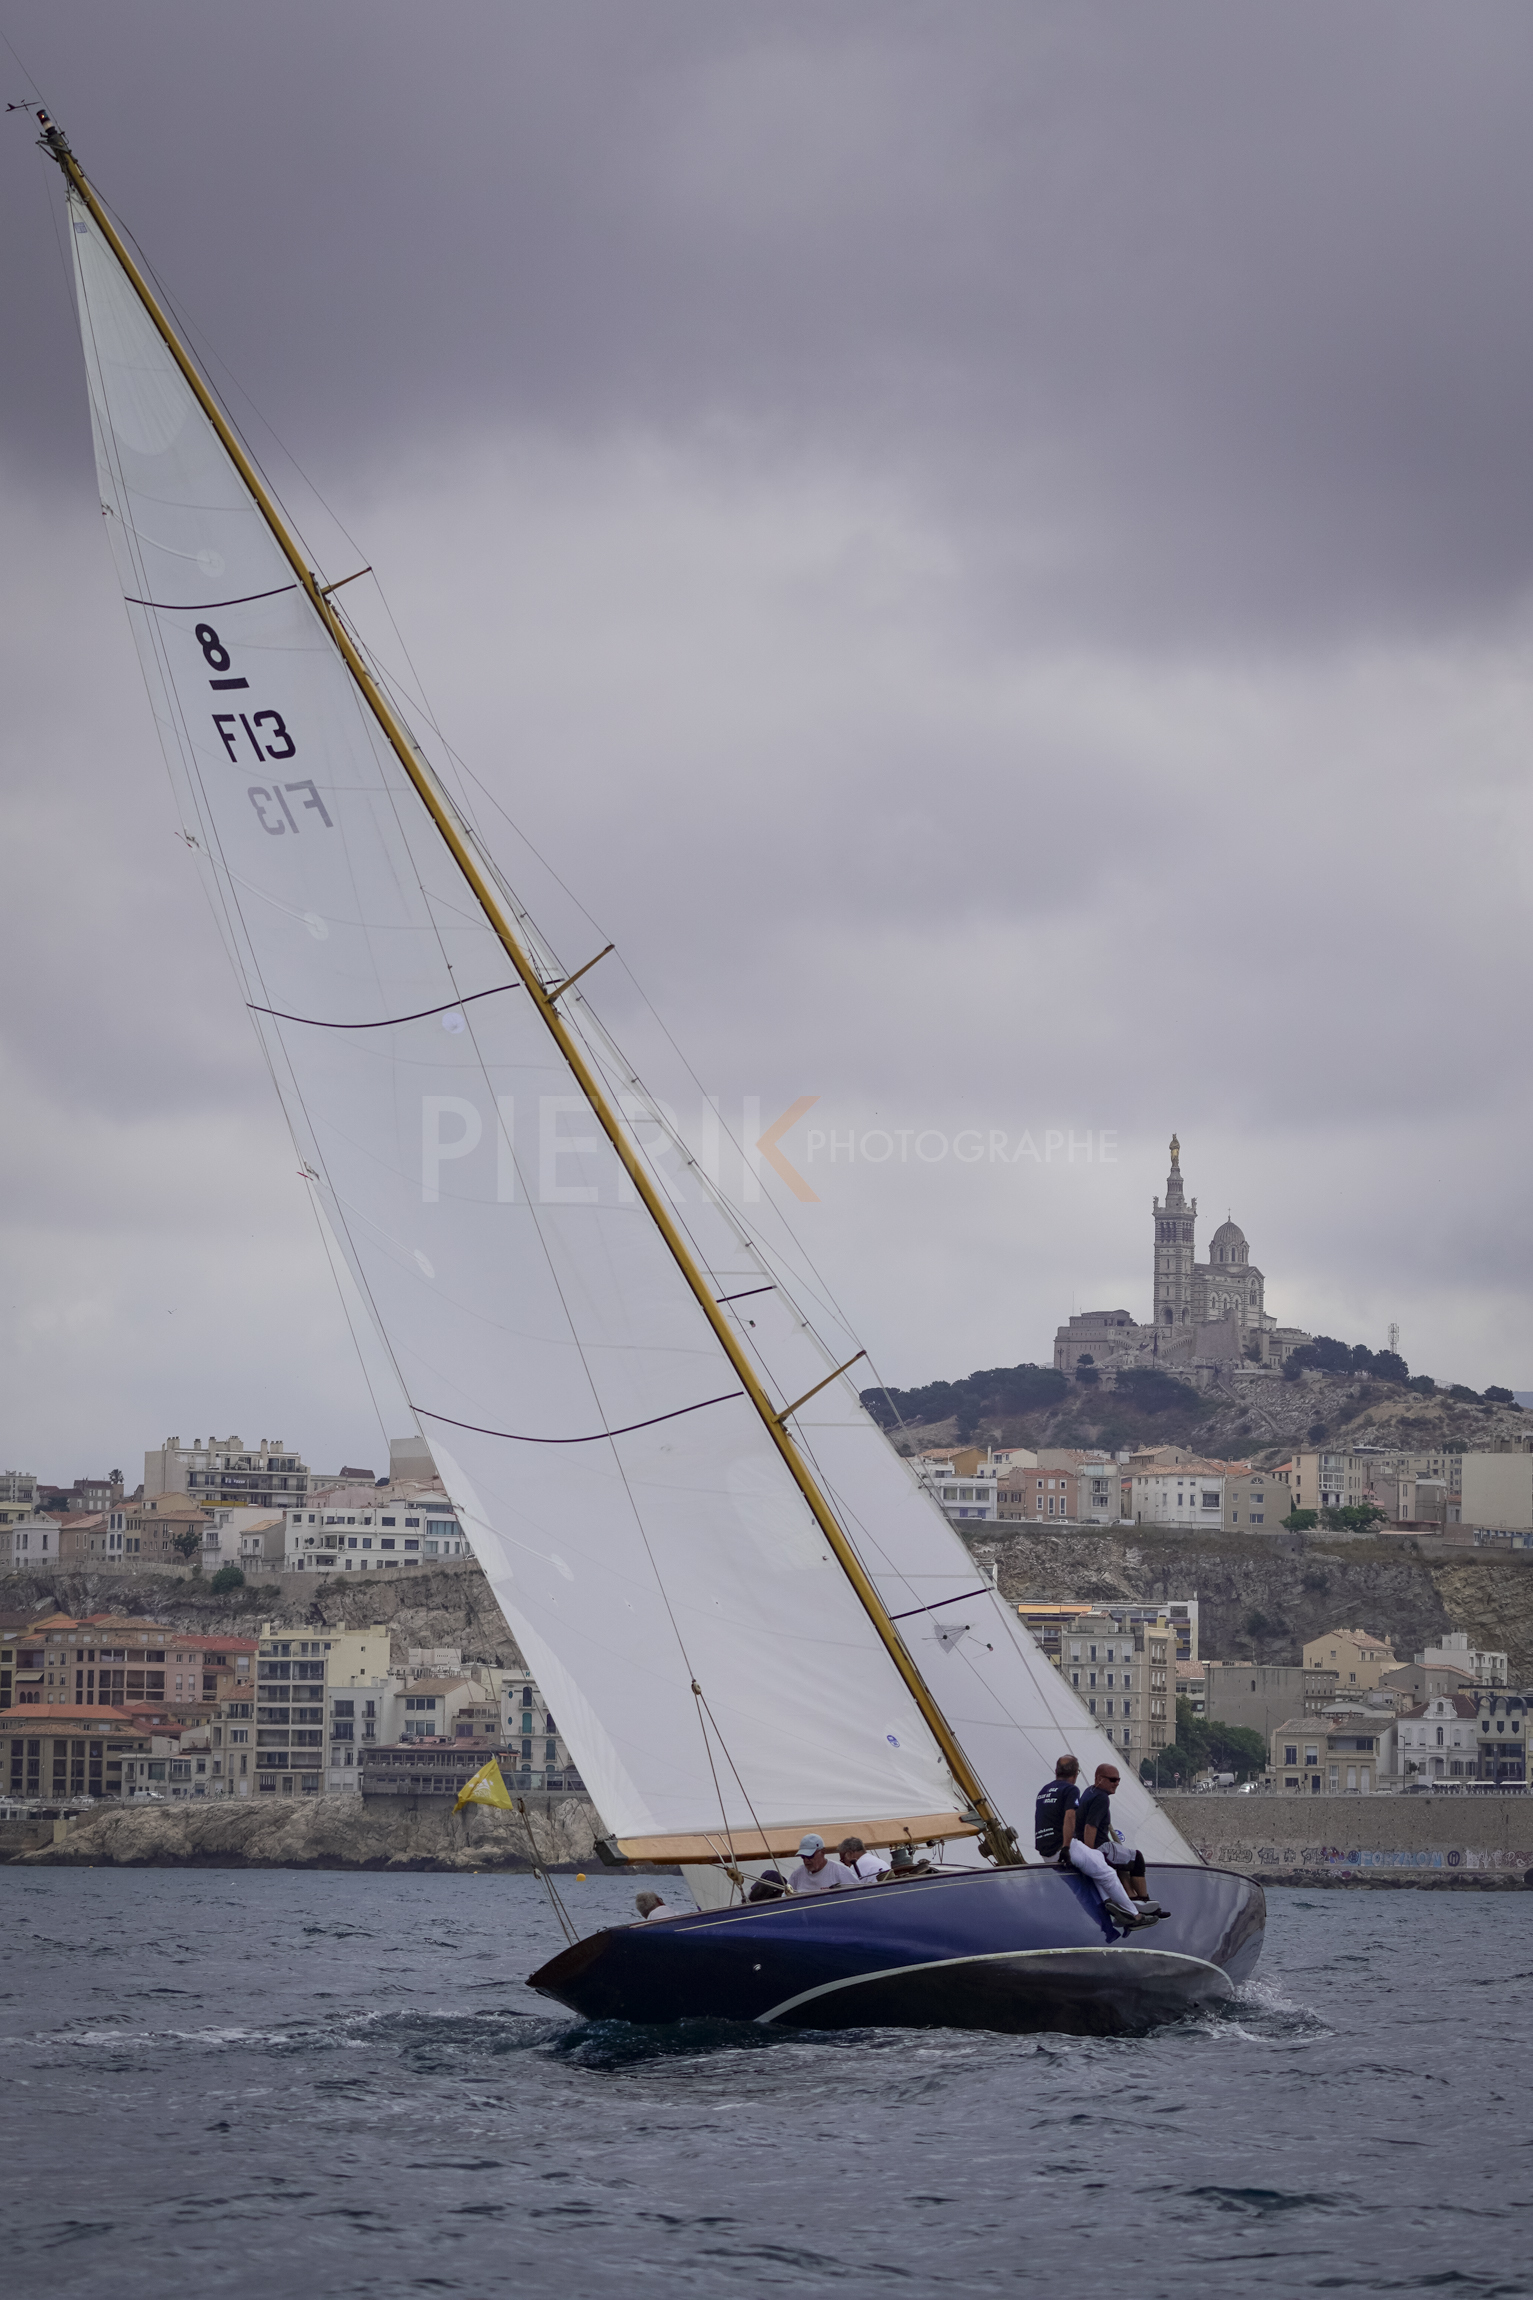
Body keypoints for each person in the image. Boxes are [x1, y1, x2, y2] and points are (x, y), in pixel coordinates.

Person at [1068, 1764, 1161, 1923]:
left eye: (1118, 1780)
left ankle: (1130, 1898)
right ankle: (1144, 1901)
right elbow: (1090, 1826)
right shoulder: (1101, 1798)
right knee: (1136, 1858)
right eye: (1112, 1780)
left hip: (1083, 1846)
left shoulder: (1089, 1791)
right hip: (1099, 1847)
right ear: (1099, 1779)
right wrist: (1091, 1856)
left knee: (1121, 1863)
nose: (1116, 1783)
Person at [1034, 1754, 1082, 1863]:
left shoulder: (1044, 1790)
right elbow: (1070, 1816)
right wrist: (1066, 1848)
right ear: (1075, 1774)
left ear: (1056, 1771)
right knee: (1107, 1873)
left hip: (1046, 1852)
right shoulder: (1071, 1789)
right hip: (1062, 1847)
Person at [786, 1832, 857, 1894]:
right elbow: (786, 1896)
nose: (806, 1860)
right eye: (803, 1856)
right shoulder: (797, 1875)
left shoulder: (841, 1871)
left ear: (823, 1852)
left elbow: (856, 1895)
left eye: (810, 1855)